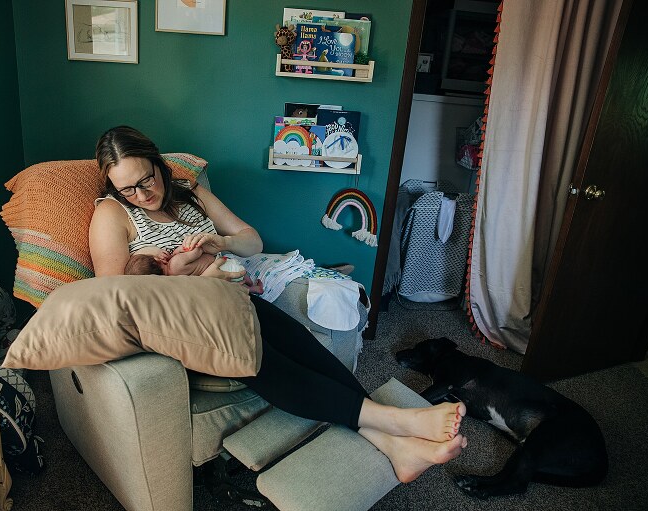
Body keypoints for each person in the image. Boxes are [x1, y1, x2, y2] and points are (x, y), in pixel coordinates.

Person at [89, 126, 468, 483]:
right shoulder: (111, 213)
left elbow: (250, 240)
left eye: (146, 180)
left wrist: (218, 243)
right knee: (263, 358)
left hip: (230, 297)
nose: (141, 194)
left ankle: (394, 445)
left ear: (158, 164)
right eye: (128, 189)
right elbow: (116, 297)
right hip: (184, 320)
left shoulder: (189, 192)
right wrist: (203, 280)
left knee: (299, 344)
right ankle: (398, 423)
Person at [124, 247, 265, 294]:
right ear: (158, 260)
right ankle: (252, 284)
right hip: (224, 267)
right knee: (242, 274)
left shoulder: (171, 282)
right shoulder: (176, 262)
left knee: (238, 287)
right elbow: (197, 251)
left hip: (220, 285)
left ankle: (253, 290)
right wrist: (178, 251)